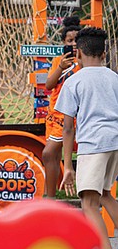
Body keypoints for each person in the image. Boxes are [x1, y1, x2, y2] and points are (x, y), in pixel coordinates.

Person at [56, 27, 118, 249]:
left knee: (88, 204)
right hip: (114, 141)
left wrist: (68, 165)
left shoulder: (73, 81)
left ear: (78, 52)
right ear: (103, 53)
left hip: (93, 145)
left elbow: (68, 128)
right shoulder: (115, 77)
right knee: (104, 195)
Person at [42, 16, 82, 198]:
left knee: (82, 155)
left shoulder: (87, 60)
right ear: (63, 43)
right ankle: (50, 197)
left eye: (76, 40)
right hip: (57, 117)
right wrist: (60, 67)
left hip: (78, 117)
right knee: (49, 154)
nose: (73, 44)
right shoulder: (59, 60)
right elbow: (49, 85)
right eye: (69, 41)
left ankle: (86, 195)